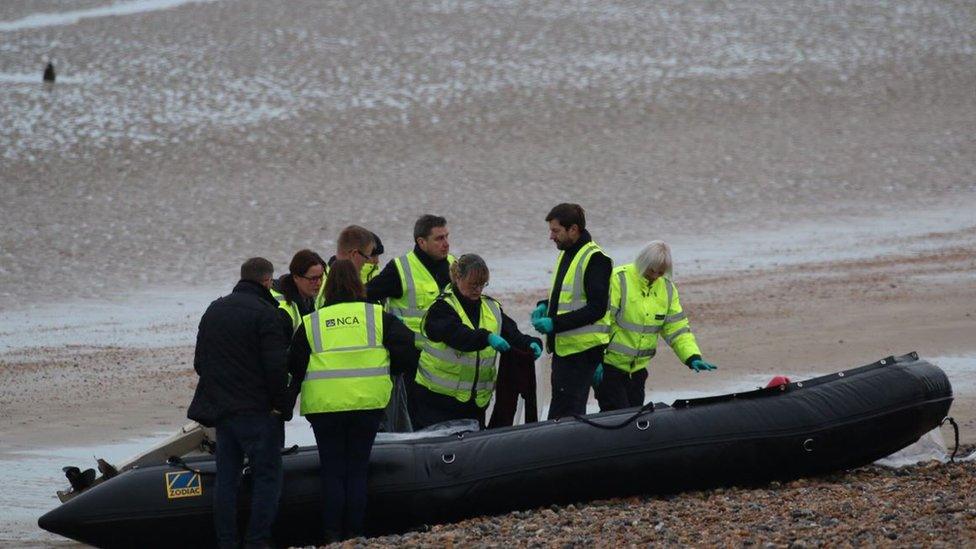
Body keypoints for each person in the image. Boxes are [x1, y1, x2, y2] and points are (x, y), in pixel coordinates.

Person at [286, 260, 416, 543]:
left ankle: (332, 533)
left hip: (325, 408)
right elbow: (408, 350)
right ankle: (355, 532)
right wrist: (389, 370)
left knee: (332, 471)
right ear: (358, 285)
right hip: (368, 404)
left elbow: (295, 366)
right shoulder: (377, 316)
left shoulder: (312, 322)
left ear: (328, 288)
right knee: (357, 469)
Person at [187, 257, 290, 549]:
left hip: (222, 411)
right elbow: (276, 369)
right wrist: (281, 406)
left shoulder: (214, 309)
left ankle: (226, 541)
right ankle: (257, 540)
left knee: (227, 479)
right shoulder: (267, 313)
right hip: (257, 411)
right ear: (268, 281)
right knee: (267, 476)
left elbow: (200, 363)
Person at [414, 254, 542, 429]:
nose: (478, 290)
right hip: (437, 400)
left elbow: (512, 335)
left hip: (475, 403)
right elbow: (458, 336)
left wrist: (530, 343)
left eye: (483, 284)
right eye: (473, 284)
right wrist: (486, 337)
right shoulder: (441, 308)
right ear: (458, 278)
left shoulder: (492, 309)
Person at [594, 241, 717, 411]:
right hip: (609, 368)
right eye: (651, 271)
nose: (655, 276)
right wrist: (595, 360)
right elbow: (601, 322)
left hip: (637, 371)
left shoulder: (667, 289)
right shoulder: (618, 280)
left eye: (660, 273)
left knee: (635, 418)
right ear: (642, 262)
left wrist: (692, 357)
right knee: (617, 417)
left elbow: (676, 328)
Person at [366, 215, 455, 427]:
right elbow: (364, 297)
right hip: (412, 362)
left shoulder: (454, 265)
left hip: (447, 360)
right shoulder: (400, 268)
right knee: (414, 422)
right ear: (421, 242)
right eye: (439, 238)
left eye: (447, 237)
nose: (446, 243)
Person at [531, 203, 613, 419]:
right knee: (562, 412)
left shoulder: (596, 259)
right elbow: (569, 296)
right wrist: (544, 305)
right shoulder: (567, 252)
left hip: (582, 353)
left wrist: (554, 324)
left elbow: (596, 308)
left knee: (567, 415)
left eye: (556, 231)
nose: (551, 236)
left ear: (573, 229)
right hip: (564, 350)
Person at [316, 225, 376, 309]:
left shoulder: (322, 280)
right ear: (354, 254)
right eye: (366, 257)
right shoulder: (341, 285)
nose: (367, 262)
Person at [271, 249, 327, 337]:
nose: (319, 283)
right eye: (313, 279)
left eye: (321, 277)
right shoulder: (282, 310)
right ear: (296, 277)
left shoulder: (308, 297)